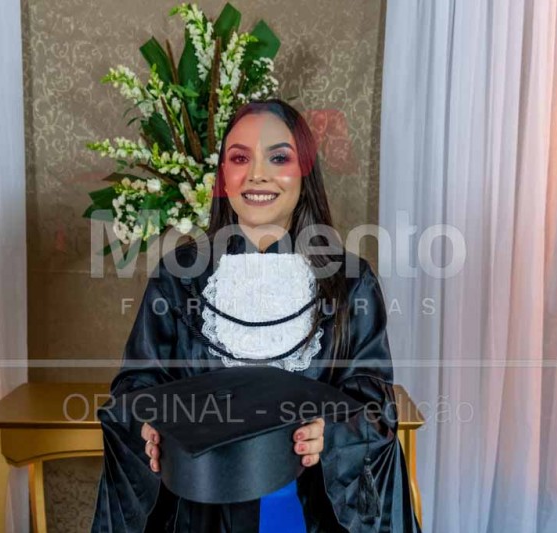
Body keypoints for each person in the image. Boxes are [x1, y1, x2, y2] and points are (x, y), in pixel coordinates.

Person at [91, 99, 422, 532]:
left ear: (304, 171)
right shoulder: (178, 277)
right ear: (223, 176)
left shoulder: (351, 283)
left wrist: (334, 433)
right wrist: (147, 424)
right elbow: (135, 388)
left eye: (278, 158)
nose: (257, 174)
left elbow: (373, 399)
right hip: (200, 511)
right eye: (240, 158)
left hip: (309, 511)